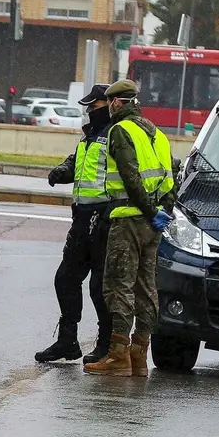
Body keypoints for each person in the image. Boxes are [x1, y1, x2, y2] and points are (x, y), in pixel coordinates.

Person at [84, 79, 175, 377]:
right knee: (146, 288)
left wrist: (147, 211)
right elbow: (170, 180)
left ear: (118, 103)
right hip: (153, 224)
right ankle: (139, 355)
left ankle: (118, 356)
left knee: (118, 285)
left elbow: (130, 176)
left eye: (111, 103)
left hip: (128, 220)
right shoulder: (158, 134)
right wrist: (161, 213)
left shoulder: (120, 131)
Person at [35, 83, 114, 365]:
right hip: (82, 219)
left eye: (94, 106)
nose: (90, 112)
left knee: (100, 287)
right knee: (66, 279)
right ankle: (67, 341)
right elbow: (79, 163)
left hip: (106, 220)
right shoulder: (90, 137)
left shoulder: (118, 135)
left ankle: (107, 344)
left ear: (109, 104)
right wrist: (62, 171)